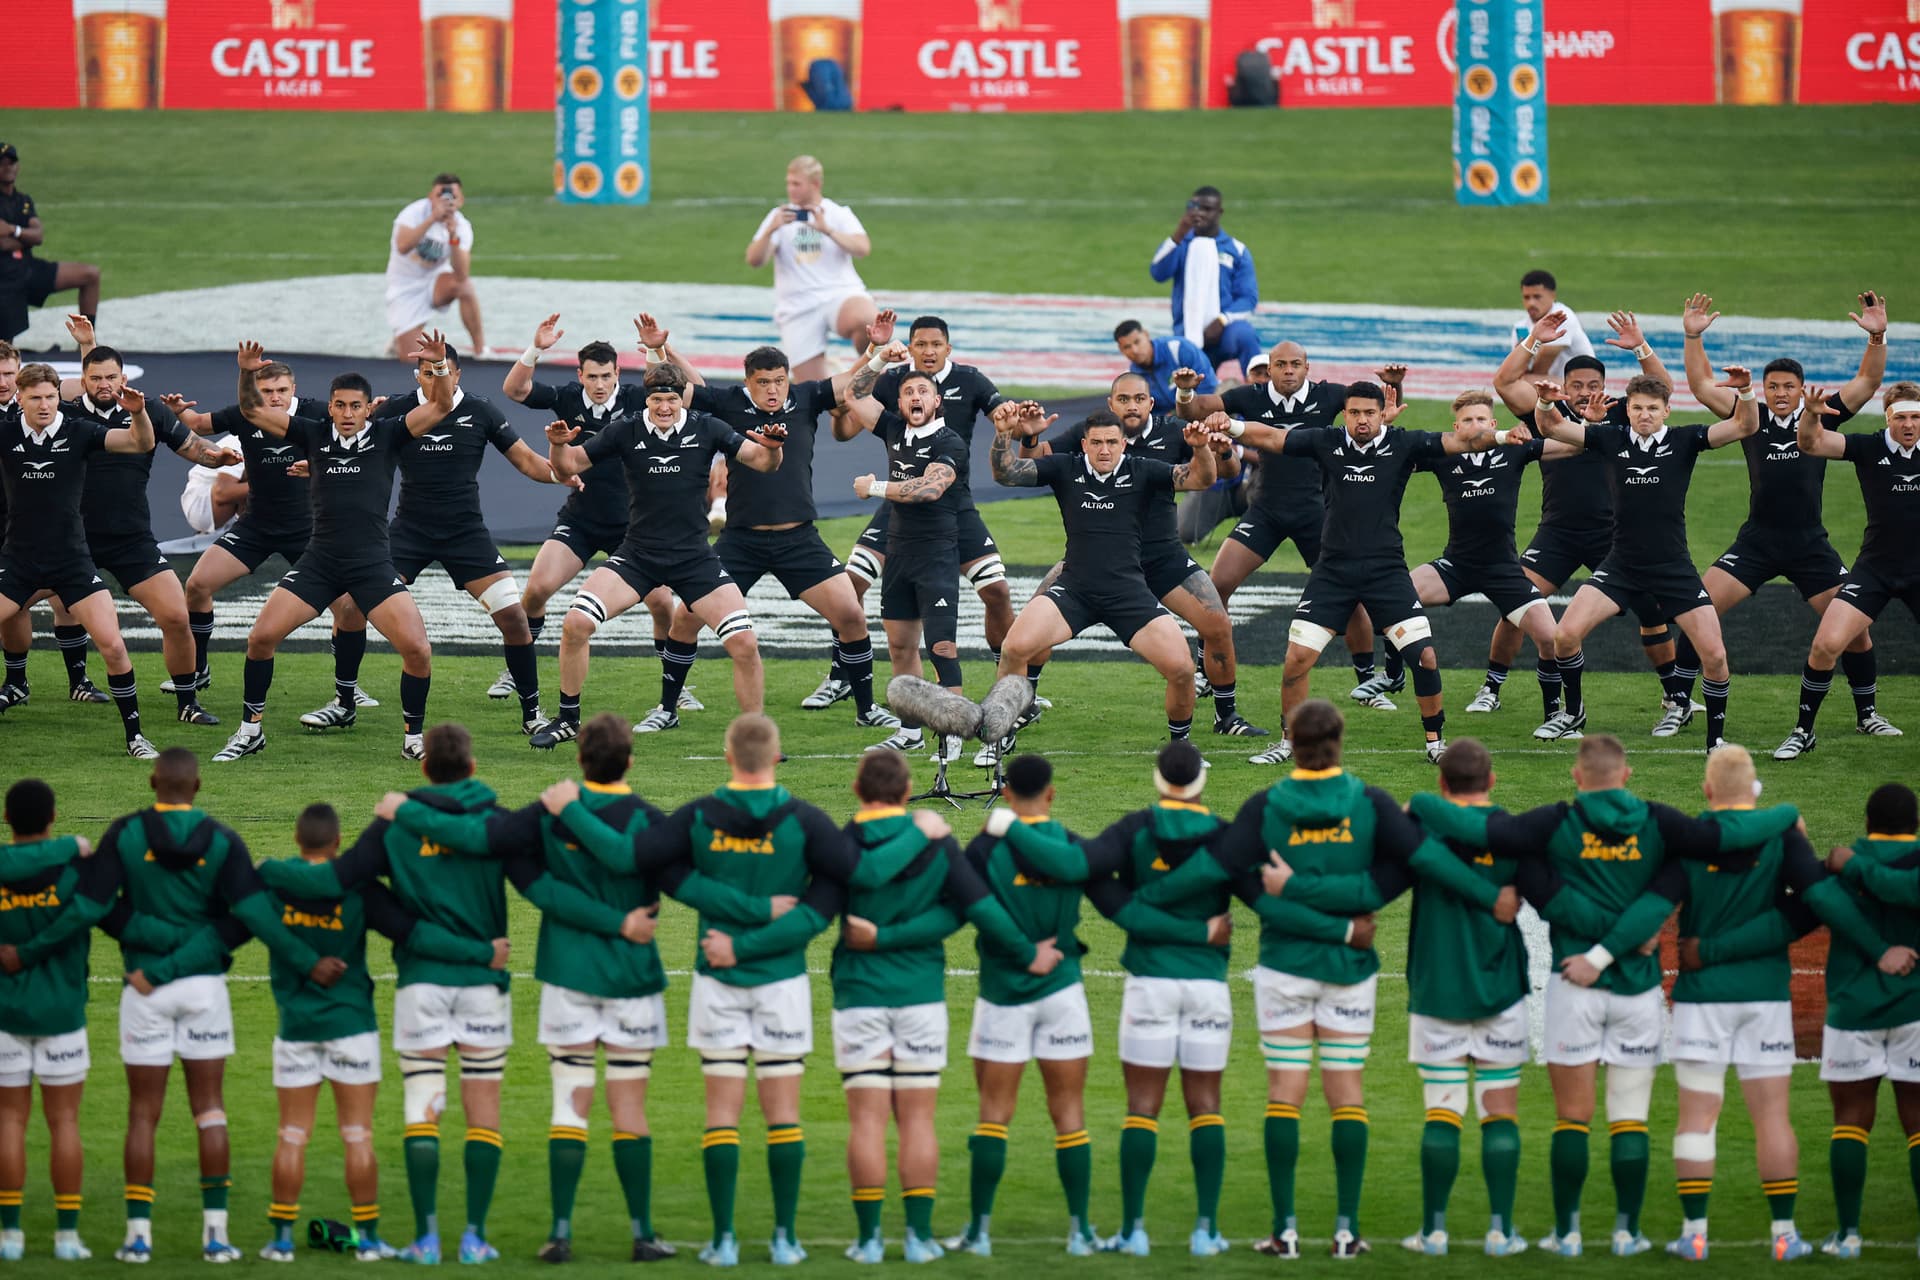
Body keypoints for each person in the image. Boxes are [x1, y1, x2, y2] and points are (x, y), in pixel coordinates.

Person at [263, 722, 647, 1265]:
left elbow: (334, 881)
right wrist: (618, 921)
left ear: (423, 768)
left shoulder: (391, 826)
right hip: (482, 988)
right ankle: (474, 1237)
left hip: (421, 985)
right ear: (471, 768)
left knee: (423, 1108)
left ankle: (425, 1238)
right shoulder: (496, 822)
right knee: (482, 1113)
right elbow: (542, 891)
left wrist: (264, 871)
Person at [382, 713, 733, 1264]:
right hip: (632, 981)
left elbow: (511, 864)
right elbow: (683, 884)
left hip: (567, 979)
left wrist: (406, 810)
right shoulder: (649, 821)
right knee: (629, 1110)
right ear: (631, 762)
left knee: (569, 1106)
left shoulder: (546, 819)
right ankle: (642, 1234)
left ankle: (560, 1233)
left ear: (578, 759)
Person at [613, 714, 945, 1267]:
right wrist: (918, 830)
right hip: (782, 983)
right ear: (776, 756)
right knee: (783, 1117)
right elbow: (850, 883)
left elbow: (647, 862)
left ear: (727, 754)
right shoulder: (806, 822)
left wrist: (729, 916)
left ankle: (723, 1241)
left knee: (722, 1116)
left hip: (717, 977)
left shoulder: (698, 816)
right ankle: (785, 1239)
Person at [1125, 700, 1432, 1258]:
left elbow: (1217, 867)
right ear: (1340, 742)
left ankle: (1285, 1230)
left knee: (1285, 1097)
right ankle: (1346, 1231)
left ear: (1290, 742)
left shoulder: (1266, 806)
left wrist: (1146, 900)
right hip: (1348, 970)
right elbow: (1410, 866)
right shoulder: (1371, 803)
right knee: (1347, 1095)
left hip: (1286, 969)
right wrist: (1353, 908)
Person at [1476, 734, 1786, 1258]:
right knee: (1629, 1117)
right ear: (1627, 776)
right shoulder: (1661, 822)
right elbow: (1712, 846)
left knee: (1572, 1117)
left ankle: (1568, 1233)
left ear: (1578, 778)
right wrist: (1784, 814)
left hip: (1575, 984)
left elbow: (1531, 876)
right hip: (1638, 988)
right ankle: (1627, 1232)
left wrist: (1591, 942)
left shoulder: (1556, 822)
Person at [27, 749, 340, 1262]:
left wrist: (151, 944)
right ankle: (215, 1237)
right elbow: (253, 917)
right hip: (204, 989)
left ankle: (137, 1238)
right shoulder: (221, 839)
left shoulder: (125, 833)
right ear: (196, 787)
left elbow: (94, 906)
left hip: (143, 989)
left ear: (153, 781)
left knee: (143, 1115)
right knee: (210, 1110)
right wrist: (308, 962)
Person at [1660, 746, 1908, 1263]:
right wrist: (1880, 950)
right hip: (1766, 999)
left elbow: (1654, 903)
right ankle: (1785, 1234)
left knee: (1697, 1117)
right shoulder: (1781, 833)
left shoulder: (1689, 840)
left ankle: (1695, 1234)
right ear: (1755, 791)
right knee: (1772, 1118)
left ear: (1707, 791)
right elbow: (1821, 903)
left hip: (1702, 999)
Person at [991, 741, 1238, 1257]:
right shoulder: (1224, 836)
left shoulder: (1135, 830)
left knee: (1142, 1110)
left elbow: (1076, 865)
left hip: (1149, 984)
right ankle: (1206, 1230)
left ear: (1159, 780)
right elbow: (1267, 893)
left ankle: (1133, 1231)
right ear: (1200, 782)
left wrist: (1007, 825)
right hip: (1208, 987)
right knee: (1207, 1108)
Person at [252, 802, 505, 1264]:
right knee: (357, 1135)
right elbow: (413, 934)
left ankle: (281, 1240)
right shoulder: (359, 890)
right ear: (337, 843)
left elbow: (248, 911)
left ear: (295, 838)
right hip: (352, 1026)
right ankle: (367, 1240)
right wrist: (478, 951)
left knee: (291, 1134)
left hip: (296, 1028)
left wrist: (267, 868)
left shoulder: (275, 883)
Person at [825, 749, 1050, 1263]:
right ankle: (920, 1239)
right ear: (907, 793)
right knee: (918, 1121)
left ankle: (867, 1241)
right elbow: (975, 909)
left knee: (865, 1122)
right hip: (920, 997)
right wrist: (1027, 953)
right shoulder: (937, 844)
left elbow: (817, 907)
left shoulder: (845, 843)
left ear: (859, 791)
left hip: (859, 995)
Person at [1218, 380, 1497, 764]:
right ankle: (1289, 743)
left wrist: (1499, 435)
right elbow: (1272, 436)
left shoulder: (1404, 444)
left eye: (1369, 413)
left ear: (1382, 413)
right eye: (1354, 413)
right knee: (1297, 658)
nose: (1361, 420)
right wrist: (1230, 426)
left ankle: (1435, 743)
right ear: (1344, 413)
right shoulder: (1326, 441)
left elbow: (1460, 442)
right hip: (1332, 572)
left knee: (1425, 658)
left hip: (1387, 572)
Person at [647, 315, 902, 732]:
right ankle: (667, 709)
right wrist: (661, 351)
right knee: (684, 618)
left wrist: (876, 355)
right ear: (748, 382)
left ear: (787, 380)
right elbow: (673, 390)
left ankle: (866, 709)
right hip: (740, 542)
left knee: (851, 616)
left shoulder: (806, 396)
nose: (772, 389)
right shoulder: (728, 403)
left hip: (798, 539)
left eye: (778, 381)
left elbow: (849, 386)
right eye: (763, 382)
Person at [212, 339, 450, 763]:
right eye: (339, 406)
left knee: (417, 650)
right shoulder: (313, 432)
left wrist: (436, 364)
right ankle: (251, 731)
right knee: (261, 637)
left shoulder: (389, 434)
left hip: (372, 563)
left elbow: (441, 407)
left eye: (354, 406)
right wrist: (247, 372)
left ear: (366, 408)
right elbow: (252, 411)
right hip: (320, 561)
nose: (346, 414)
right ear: (331, 407)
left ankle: (414, 737)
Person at [1681, 291, 1896, 750]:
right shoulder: (1749, 415)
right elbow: (1701, 387)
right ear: (1764, 389)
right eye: (1773, 387)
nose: (1780, 394)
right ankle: (1679, 702)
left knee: (1855, 631)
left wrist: (1876, 336)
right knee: (1696, 607)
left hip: (1809, 545)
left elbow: (1868, 381)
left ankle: (1868, 713)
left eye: (1788, 387)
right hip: (1756, 542)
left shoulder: (1823, 414)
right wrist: (1692, 337)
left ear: (1802, 389)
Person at [312, 343, 562, 736]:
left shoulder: (480, 410)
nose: (433, 380)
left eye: (440, 372)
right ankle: (344, 702)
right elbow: (345, 440)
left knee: (514, 619)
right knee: (347, 607)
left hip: (466, 533)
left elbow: (526, 460)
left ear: (456, 374)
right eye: (425, 373)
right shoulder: (396, 408)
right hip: (408, 531)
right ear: (418, 376)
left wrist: (562, 474)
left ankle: (532, 714)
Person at [535, 364, 784, 747]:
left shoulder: (708, 427)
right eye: (656, 400)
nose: (664, 407)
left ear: (682, 397)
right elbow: (568, 465)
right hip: (638, 554)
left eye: (671, 399)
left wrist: (773, 447)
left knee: (745, 644)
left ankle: (756, 740)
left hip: (694, 558)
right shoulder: (625, 429)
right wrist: (556, 443)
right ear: (646, 399)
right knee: (575, 624)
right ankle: (568, 719)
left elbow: (765, 463)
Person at [1016, 374, 1260, 739]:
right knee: (1032, 629)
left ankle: (1226, 715)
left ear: (1150, 403)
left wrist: (1217, 448)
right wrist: (1028, 436)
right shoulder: (1091, 432)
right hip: (1096, 557)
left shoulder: (1175, 431)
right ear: (1111, 404)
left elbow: (1224, 473)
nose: (1132, 405)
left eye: (1139, 399)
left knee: (1217, 625)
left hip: (1160, 555)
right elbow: (1035, 463)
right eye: (1124, 399)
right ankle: (1024, 702)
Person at [1529, 369, 1757, 749]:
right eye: (1637, 408)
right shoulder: (1610, 437)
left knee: (1715, 656)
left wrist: (1747, 390)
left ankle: (1714, 741)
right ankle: (1573, 714)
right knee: (1564, 636)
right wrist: (1545, 400)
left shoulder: (1686, 439)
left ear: (1667, 410)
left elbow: (1745, 425)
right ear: (1628, 410)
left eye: (1652, 408)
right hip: (1621, 565)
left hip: (1673, 568)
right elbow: (1550, 427)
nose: (1644, 414)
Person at [1489, 310, 1681, 729]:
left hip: (1612, 538)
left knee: (1652, 611)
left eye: (1593, 385)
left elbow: (1662, 391)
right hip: (1556, 532)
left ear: (1605, 388)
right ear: (1564, 385)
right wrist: (1534, 340)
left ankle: (1673, 696)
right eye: (1576, 385)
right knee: (1515, 604)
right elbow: (1504, 383)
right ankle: (1492, 687)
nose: (1583, 392)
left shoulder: (1620, 417)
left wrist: (1641, 348)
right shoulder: (1547, 413)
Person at [815, 313, 1015, 710]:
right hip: (900, 506)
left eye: (935, 345)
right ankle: (841, 674)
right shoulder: (894, 387)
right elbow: (846, 416)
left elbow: (1004, 426)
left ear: (947, 350)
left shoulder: (969, 384)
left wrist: (1015, 427)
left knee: (996, 591)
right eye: (919, 344)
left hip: (952, 507)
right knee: (850, 587)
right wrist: (876, 357)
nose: (927, 351)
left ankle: (1011, 684)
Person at [988, 408, 1220, 747]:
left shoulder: (1142, 470)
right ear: (1084, 444)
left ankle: (1180, 749)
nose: (1104, 450)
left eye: (1112, 442)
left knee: (1183, 670)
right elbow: (1006, 473)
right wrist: (1003, 433)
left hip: (1128, 594)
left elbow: (1202, 479)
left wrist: (1200, 449)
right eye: (1096, 443)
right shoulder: (1065, 468)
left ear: (1123, 444)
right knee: (1013, 648)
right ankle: (999, 739)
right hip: (1075, 590)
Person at [498, 314, 693, 713]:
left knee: (661, 604)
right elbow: (515, 391)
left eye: (607, 376)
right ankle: (517, 667)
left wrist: (657, 349)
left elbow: (680, 392)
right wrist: (535, 349)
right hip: (581, 520)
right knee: (535, 591)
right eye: (593, 377)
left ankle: (673, 686)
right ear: (581, 376)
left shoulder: (640, 400)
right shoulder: (567, 398)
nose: (600, 385)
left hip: (634, 527)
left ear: (619, 373)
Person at [1172, 346, 1380, 711]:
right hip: (1265, 508)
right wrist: (1186, 392)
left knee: (1350, 594)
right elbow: (1195, 410)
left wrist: (1394, 388)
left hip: (1315, 511)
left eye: (1294, 365)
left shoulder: (1329, 395)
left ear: (1306, 368)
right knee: (1215, 585)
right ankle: (1206, 669)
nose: (1287, 371)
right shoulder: (1249, 397)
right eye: (1280, 365)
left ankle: (1368, 684)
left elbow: (1373, 413)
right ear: (1269, 369)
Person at [166, 358, 371, 706]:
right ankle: (199, 667)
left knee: (349, 608)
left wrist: (321, 463)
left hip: (310, 530)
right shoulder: (246, 412)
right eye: (266, 391)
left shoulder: (321, 414)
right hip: (256, 525)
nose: (273, 398)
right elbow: (199, 424)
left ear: (294, 389)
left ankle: (347, 689)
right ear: (255, 392)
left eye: (280, 390)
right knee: (198, 585)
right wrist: (176, 412)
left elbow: (362, 436)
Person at [69, 345, 240, 728]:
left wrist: (219, 457)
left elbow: (195, 447)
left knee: (177, 617)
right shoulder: (66, 414)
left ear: (123, 379)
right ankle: (22, 681)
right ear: (82, 382)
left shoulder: (149, 410)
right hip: (72, 540)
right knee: (16, 607)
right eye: (95, 378)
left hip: (132, 540)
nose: (103, 384)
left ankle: (187, 701)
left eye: (111, 377)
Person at [0, 362, 159, 756]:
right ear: (19, 399)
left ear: (59, 397)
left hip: (72, 562)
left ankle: (135, 737)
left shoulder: (80, 431)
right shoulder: (4, 434)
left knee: (114, 647)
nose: (44, 405)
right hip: (18, 562)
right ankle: (17, 683)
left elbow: (139, 444)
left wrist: (138, 413)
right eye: (35, 397)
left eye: (51, 397)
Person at [1775, 381, 1919, 759]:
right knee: (1825, 645)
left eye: (1916, 417)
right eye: (1901, 417)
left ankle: (1866, 716)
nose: (1909, 425)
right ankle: (1803, 732)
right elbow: (1810, 443)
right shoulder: (1868, 446)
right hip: (1876, 568)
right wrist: (1809, 414)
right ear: (1887, 418)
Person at [1812, 783, 1920, 1259]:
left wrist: (1853, 867)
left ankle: (1848, 1235)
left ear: (1869, 821)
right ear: (1914, 824)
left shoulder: (1846, 860)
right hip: (1915, 1009)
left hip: (1853, 1010)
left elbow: (1819, 905)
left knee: (1850, 1122)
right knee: (1917, 1124)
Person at [841, 360, 968, 758]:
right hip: (899, 554)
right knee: (900, 647)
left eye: (923, 392)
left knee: (942, 648)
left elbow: (930, 490)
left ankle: (954, 733)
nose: (916, 397)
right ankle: (910, 731)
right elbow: (852, 395)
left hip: (937, 557)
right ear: (899, 401)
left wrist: (875, 487)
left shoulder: (950, 442)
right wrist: (879, 357)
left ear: (938, 400)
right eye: (909, 392)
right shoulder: (895, 429)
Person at [1412, 392, 1561, 729]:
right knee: (1396, 599)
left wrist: (1589, 429)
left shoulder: (1514, 448)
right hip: (1456, 564)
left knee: (1551, 639)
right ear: (1456, 428)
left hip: (1504, 570)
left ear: (1493, 424)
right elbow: (1397, 454)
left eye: (1481, 419)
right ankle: (1391, 676)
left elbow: (1568, 445)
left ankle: (1554, 715)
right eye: (1467, 421)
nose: (1475, 426)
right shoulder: (1444, 455)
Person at [0, 341, 107, 708]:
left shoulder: (44, 409)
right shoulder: (9, 426)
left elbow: (82, 385)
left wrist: (87, 346)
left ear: (18, 377)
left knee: (65, 598)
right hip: (10, 526)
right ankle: (15, 681)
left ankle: (78, 680)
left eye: (8, 373)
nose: (2, 380)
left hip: (48, 520)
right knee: (15, 606)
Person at [745, 155, 876, 383]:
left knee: (868, 321)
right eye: (788, 183)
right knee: (815, 394)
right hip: (798, 307)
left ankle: (866, 377)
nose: (790, 189)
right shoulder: (779, 217)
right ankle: (835, 375)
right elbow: (754, 260)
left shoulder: (836, 214)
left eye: (797, 184)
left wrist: (828, 231)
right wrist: (771, 230)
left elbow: (863, 248)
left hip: (839, 294)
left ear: (815, 184)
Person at [1149, 186, 1262, 381]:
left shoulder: (1236, 250)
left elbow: (1248, 298)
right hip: (1187, 332)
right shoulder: (1181, 243)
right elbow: (1158, 273)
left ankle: (1259, 394)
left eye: (1207, 209)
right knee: (1193, 392)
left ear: (1220, 212)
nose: (1199, 213)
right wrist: (1179, 233)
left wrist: (1221, 320)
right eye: (1194, 207)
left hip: (1225, 332)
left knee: (1246, 335)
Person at [0, 142, 100, 344]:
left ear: (18, 166)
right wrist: (25, 238)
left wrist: (13, 230)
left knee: (90, 274)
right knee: (5, 346)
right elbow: (3, 245)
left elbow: (38, 236)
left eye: (11, 162)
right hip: (4, 278)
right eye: (2, 163)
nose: (7, 167)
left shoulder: (23, 200)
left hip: (28, 268)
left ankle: (88, 343)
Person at [386, 174, 486, 359]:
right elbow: (402, 246)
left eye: (452, 196)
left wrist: (453, 236)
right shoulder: (414, 213)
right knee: (411, 360)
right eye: (441, 195)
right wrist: (432, 219)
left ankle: (481, 350)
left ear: (461, 201)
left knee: (465, 287)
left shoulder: (461, 226)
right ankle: (400, 338)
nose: (447, 201)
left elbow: (462, 274)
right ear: (430, 197)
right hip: (405, 286)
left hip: (435, 281)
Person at [1114, 319, 1214, 416]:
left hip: (1203, 408)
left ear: (1146, 334)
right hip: (1171, 423)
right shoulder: (1131, 377)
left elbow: (1208, 384)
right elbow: (1145, 414)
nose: (1134, 350)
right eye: (1127, 347)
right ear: (1120, 350)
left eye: (1137, 342)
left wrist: (1188, 412)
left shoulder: (1178, 348)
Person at [1512, 270, 1593, 381]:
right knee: (1516, 381)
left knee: (1520, 382)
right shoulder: (1520, 327)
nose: (1531, 303)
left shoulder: (1561, 317)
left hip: (1585, 387)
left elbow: (1540, 370)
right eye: (1526, 297)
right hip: (1559, 384)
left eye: (1537, 297)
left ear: (1553, 296)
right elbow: (1517, 371)